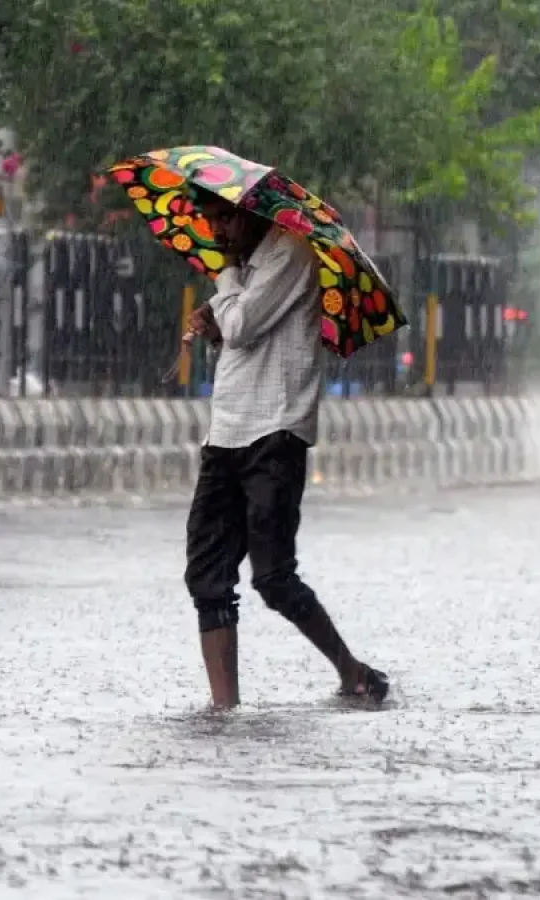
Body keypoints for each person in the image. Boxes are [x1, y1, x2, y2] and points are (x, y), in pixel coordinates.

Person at [181, 187, 389, 709]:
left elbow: (244, 325)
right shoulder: (247, 262)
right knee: (206, 576)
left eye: (222, 221)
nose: (216, 233)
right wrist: (212, 325)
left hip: (275, 432)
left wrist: (223, 284)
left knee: (273, 577)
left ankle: (352, 671)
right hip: (226, 430)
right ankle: (224, 708)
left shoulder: (290, 254)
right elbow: (236, 334)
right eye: (209, 222)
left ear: (247, 212)